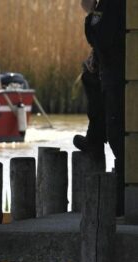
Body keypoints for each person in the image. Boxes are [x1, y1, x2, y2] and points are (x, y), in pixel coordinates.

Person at [74, 0, 126, 215]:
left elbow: (103, 37)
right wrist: (95, 56)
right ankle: (95, 138)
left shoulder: (114, 3)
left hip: (119, 79)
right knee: (89, 77)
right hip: (113, 73)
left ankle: (122, 203)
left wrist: (91, 12)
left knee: (119, 141)